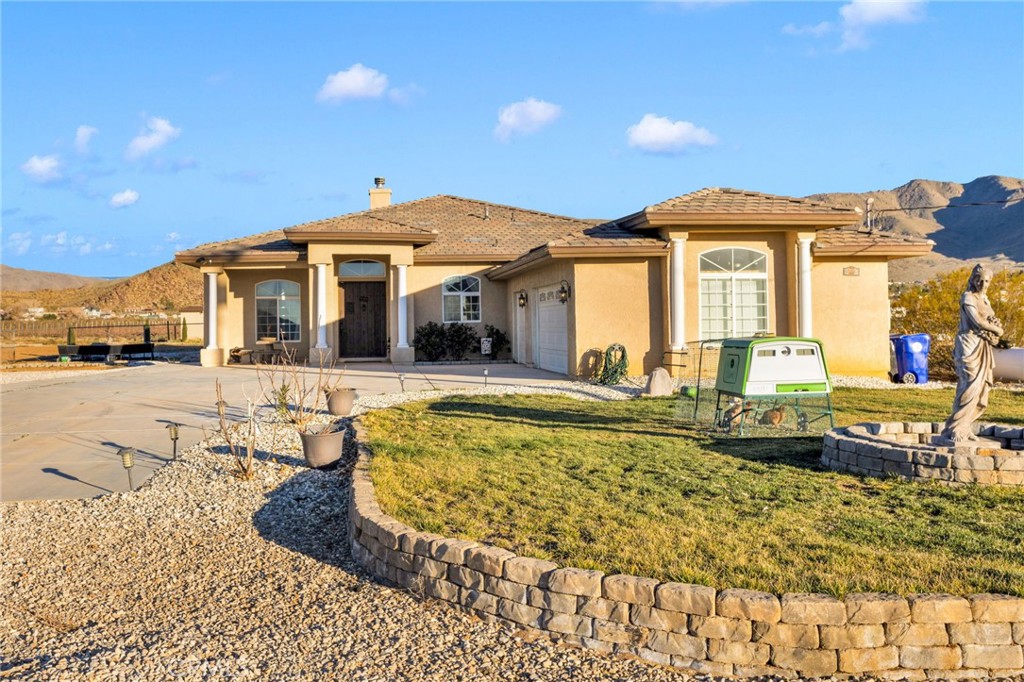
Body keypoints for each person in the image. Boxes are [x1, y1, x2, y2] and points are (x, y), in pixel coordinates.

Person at [941, 265, 1004, 442]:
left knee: (980, 387)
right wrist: (998, 331)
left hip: (982, 345)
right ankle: (955, 427)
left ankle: (965, 426)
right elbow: (977, 322)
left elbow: (987, 321)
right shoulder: (967, 297)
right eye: (979, 280)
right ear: (973, 280)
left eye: (986, 281)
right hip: (968, 344)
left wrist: (994, 332)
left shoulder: (985, 299)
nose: (983, 284)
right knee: (968, 385)